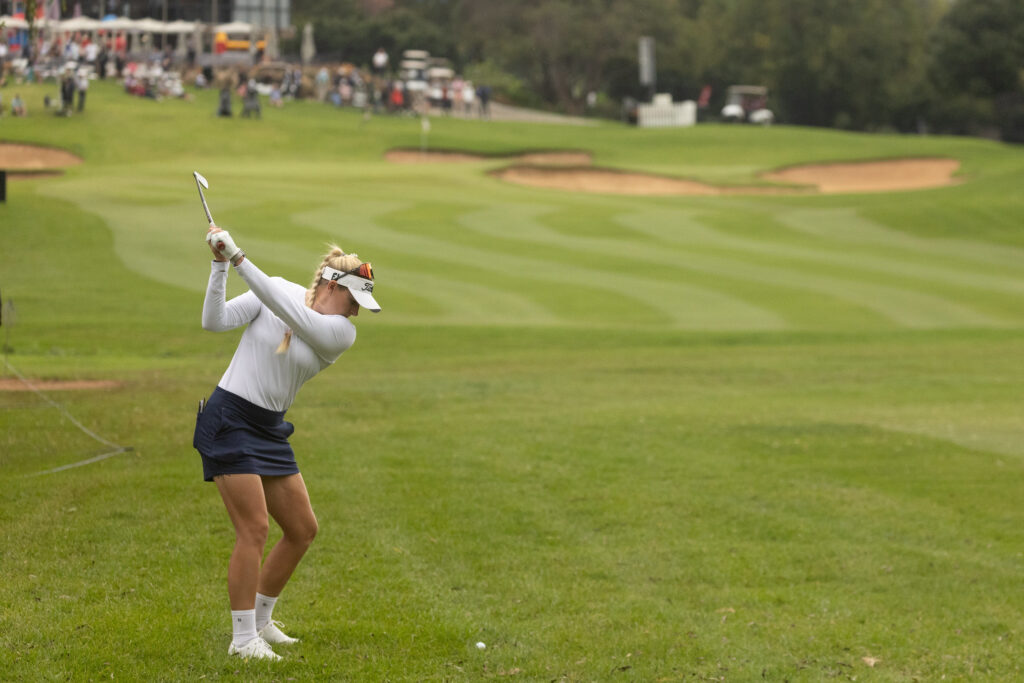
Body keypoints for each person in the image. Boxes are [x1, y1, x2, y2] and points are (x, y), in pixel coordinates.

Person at [195, 226, 381, 661]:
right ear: (334, 286)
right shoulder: (276, 289)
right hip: (229, 419)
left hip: (268, 427)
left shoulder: (339, 334)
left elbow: (293, 314)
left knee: (301, 529)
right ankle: (243, 640)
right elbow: (214, 321)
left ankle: (262, 622)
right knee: (255, 528)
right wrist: (219, 265)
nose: (355, 313)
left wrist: (240, 258)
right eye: (355, 301)